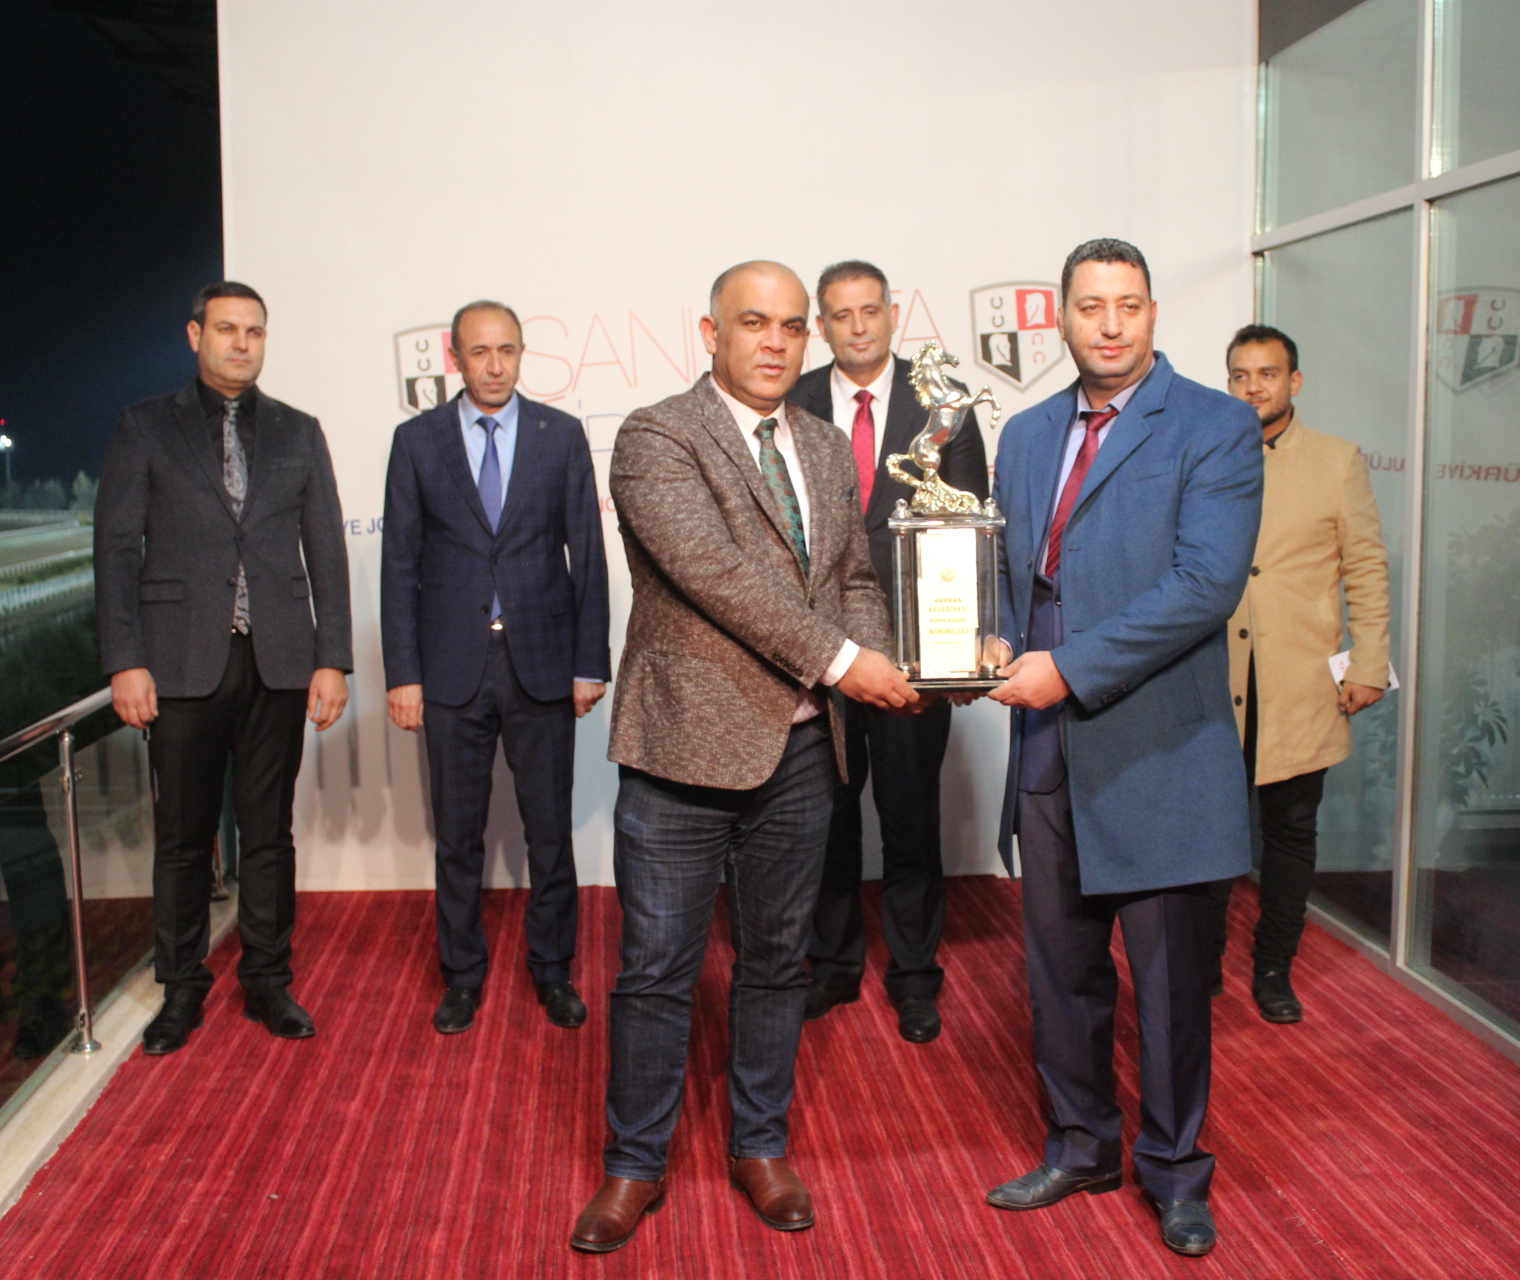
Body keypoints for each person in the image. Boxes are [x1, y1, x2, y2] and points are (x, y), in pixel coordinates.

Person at [569, 261, 918, 1254]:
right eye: (753, 322)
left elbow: (852, 579)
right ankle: (635, 1163)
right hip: (683, 749)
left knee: (775, 961)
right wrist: (848, 663)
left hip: (802, 751)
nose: (775, 341)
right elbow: (718, 576)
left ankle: (760, 1144)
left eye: (791, 326)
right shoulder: (657, 436)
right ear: (710, 331)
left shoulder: (824, 443)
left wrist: (881, 655)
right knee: (656, 969)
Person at [983, 239, 1262, 1258]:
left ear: (1152, 313)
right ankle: (1081, 1145)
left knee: (1173, 989)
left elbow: (1203, 586)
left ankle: (1177, 1172)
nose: (1110, 324)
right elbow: (1011, 570)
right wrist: (990, 637)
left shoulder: (1215, 425)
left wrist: (1066, 667)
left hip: (1158, 750)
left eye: (1129, 305)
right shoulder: (1025, 433)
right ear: (1060, 316)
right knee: (1060, 975)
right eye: (1091, 305)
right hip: (1046, 749)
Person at [95, 281, 352, 1056]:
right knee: (183, 837)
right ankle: (180, 989)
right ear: (195, 335)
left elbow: (327, 550)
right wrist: (125, 661)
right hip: (178, 663)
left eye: (255, 332)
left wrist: (333, 658)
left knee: (268, 834)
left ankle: (268, 980)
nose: (242, 343)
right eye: (227, 329)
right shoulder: (145, 425)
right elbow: (115, 551)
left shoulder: (299, 430)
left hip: (279, 660)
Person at [380, 301, 611, 1034]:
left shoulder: (559, 435)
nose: (495, 365)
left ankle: (553, 969)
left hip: (542, 663)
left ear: (520, 354)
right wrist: (403, 674)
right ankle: (462, 975)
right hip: (451, 669)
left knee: (550, 832)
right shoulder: (416, 441)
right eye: (480, 352)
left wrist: (590, 663)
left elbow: (588, 555)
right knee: (458, 836)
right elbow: (399, 566)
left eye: (507, 350)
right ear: (455, 357)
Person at [789, 259, 988, 1044]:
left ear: (893, 314)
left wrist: (960, 646)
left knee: (910, 820)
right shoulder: (794, 399)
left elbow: (968, 526)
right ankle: (834, 966)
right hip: (822, 650)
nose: (858, 326)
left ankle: (913, 976)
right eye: (841, 315)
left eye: (870, 310)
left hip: (916, 650)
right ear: (822, 325)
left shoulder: (942, 402)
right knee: (827, 819)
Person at [1207, 324, 1391, 1023]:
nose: (1254, 387)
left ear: (1295, 382)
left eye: (1268, 373)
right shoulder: (1205, 452)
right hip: (1213, 675)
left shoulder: (1338, 461)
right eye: (1241, 375)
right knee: (1211, 828)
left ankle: (1274, 967)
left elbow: (1365, 568)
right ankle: (1202, 963)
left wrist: (1369, 663)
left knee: (1290, 832)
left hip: (1299, 680)